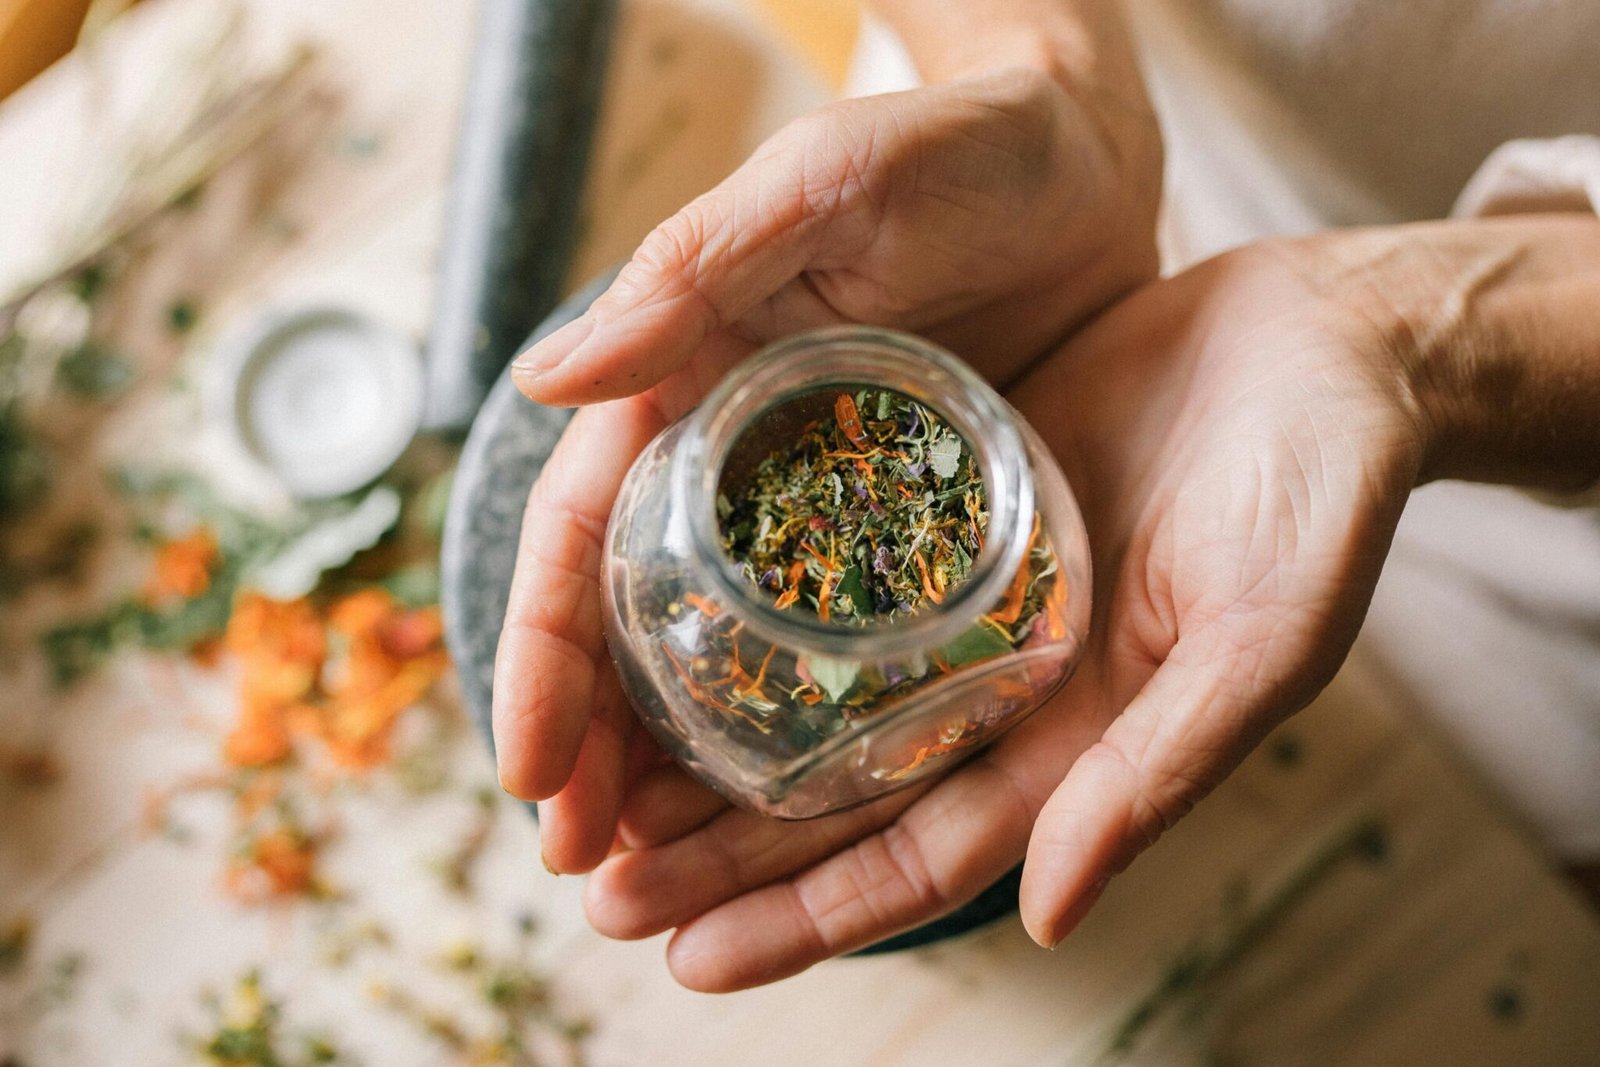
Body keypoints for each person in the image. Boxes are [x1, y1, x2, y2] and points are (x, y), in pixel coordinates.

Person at [490, 0, 1600, 992]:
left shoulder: (1032, 540)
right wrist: (1045, 72)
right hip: (969, 253)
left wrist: (1407, 334)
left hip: (1540, 446)